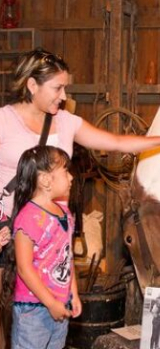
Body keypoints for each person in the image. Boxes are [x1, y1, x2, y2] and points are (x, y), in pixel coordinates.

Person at [0, 48, 160, 347]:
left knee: (45, 325)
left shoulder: (66, 122)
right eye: (57, 87)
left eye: (65, 87)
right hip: (9, 233)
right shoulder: (4, 121)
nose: (63, 96)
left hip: (53, 240)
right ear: (31, 85)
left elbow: (116, 142)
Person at [5, 146, 80, 349]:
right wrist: (51, 303)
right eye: (65, 171)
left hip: (59, 305)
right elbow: (24, 268)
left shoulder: (64, 213)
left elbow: (67, 258)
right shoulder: (28, 217)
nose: (71, 177)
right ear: (46, 181)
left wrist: (73, 294)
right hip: (33, 310)